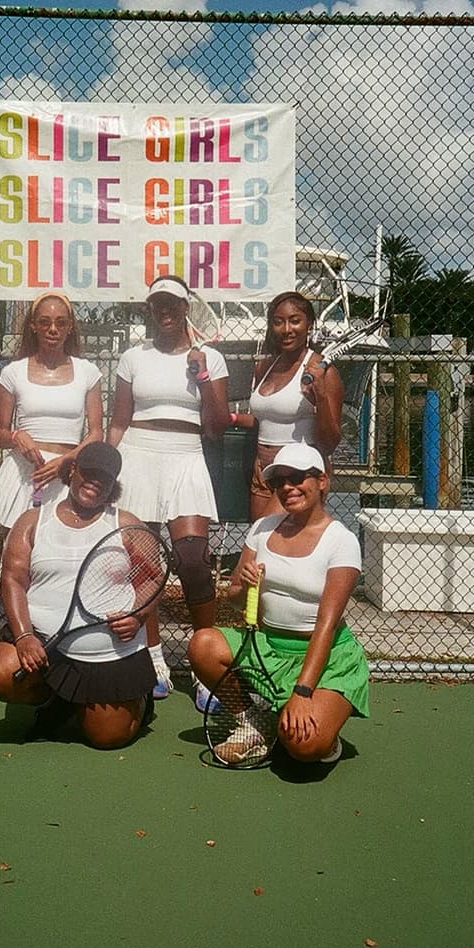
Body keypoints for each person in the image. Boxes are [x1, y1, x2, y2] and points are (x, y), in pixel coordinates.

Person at [187, 442, 369, 766]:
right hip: (267, 646)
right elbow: (235, 600)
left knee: (303, 746)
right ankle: (254, 722)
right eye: (278, 481)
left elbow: (326, 626)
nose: (287, 487)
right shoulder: (261, 529)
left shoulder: (342, 541)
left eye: (298, 477)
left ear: (322, 481)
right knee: (203, 645)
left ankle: (321, 730)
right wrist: (241, 585)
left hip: (324, 658)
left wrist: (302, 691)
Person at [0, 441, 157, 749]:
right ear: (72, 470)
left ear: (113, 485)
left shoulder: (126, 524)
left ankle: (136, 700)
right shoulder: (33, 521)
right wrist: (24, 636)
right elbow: (13, 579)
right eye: (89, 473)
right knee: (0, 674)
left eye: (105, 479)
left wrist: (138, 615)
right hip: (45, 642)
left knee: (109, 737)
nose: (95, 483)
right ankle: (60, 698)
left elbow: (154, 579)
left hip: (108, 652)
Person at [107, 275, 230, 705]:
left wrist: (201, 377)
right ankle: (154, 659)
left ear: (185, 309)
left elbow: (216, 428)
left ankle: (205, 662)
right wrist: (106, 465)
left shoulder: (210, 359)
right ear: (151, 309)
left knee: (193, 558)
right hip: (137, 454)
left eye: (173, 303)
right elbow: (119, 421)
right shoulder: (132, 358)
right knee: (143, 563)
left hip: (186, 454)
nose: (165, 310)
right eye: (158, 303)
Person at [0, 292, 103, 530]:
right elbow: (1, 435)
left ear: (69, 327)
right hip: (25, 475)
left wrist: (66, 461)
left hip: (68, 473)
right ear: (33, 326)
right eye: (44, 322)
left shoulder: (88, 372)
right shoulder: (13, 373)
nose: (52, 329)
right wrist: (18, 437)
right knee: (17, 553)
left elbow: (97, 434)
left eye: (61, 322)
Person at [240, 291, 344, 521]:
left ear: (309, 325)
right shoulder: (264, 367)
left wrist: (321, 395)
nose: (287, 329)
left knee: (271, 541)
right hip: (263, 470)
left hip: (297, 471)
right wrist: (233, 418)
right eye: (278, 322)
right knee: (260, 543)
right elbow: (264, 420)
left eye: (295, 320)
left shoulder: (323, 372)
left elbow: (330, 442)